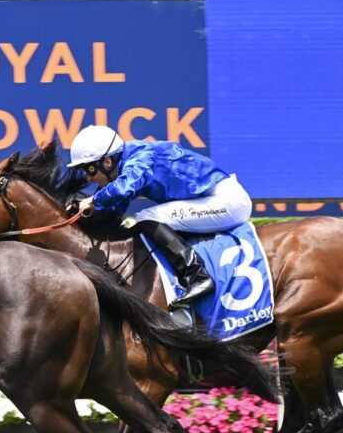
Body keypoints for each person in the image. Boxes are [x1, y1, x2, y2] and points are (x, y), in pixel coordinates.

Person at [67, 125, 252, 310]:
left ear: (107, 162)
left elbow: (124, 189)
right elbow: (115, 207)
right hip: (209, 200)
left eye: (90, 169)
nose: (88, 178)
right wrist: (80, 214)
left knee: (148, 217)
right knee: (146, 218)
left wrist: (93, 200)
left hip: (227, 201)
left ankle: (197, 276)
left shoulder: (141, 158)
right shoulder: (125, 164)